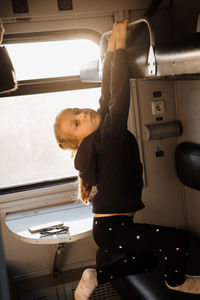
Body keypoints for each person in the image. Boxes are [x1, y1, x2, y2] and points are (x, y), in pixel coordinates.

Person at [54, 20, 200, 300]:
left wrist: (111, 52)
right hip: (113, 230)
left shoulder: (100, 135)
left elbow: (106, 95)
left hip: (109, 229)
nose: (82, 114)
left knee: (146, 260)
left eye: (76, 111)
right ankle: (176, 281)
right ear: (79, 140)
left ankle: (95, 275)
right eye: (75, 122)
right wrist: (118, 47)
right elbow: (119, 99)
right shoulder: (108, 135)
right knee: (178, 240)